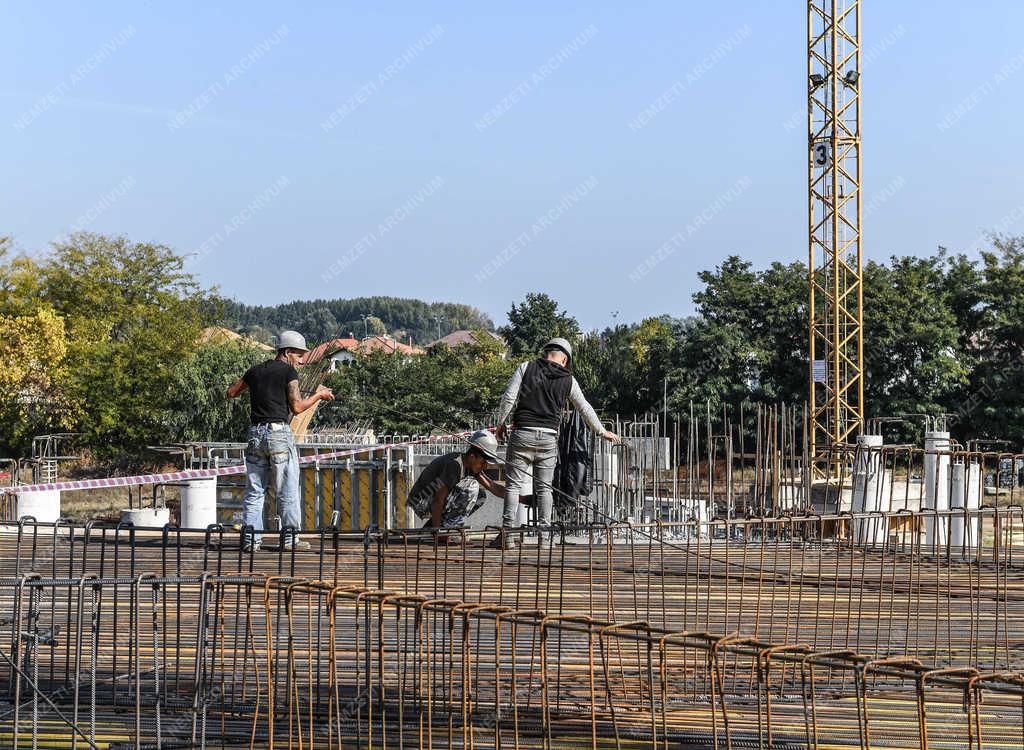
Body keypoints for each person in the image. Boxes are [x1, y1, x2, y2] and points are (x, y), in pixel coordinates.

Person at [494, 337, 618, 549]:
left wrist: (500, 423)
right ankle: (544, 539)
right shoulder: (568, 379)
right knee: (544, 489)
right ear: (565, 360)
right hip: (548, 439)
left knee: (513, 485)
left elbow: (508, 398)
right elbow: (584, 407)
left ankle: (507, 536)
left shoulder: (526, 367)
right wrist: (601, 431)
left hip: (522, 434)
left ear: (546, 353)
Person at [227, 330, 334, 551]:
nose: (301, 360)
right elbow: (297, 407)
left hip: (255, 435)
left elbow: (231, 392)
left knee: (255, 491)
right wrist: (318, 395)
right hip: (278, 435)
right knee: (287, 490)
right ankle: (290, 540)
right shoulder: (288, 372)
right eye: (299, 355)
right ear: (287, 352)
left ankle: (250, 541)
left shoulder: (254, 371)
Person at [407, 430, 505, 534]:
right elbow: (438, 500)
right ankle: (445, 530)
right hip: (421, 500)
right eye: (483, 462)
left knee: (480, 496)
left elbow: (493, 487)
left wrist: (519, 497)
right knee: (472, 487)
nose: (485, 466)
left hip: (434, 500)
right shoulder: (454, 466)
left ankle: (437, 527)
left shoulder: (471, 465)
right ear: (472, 457)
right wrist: (438, 533)